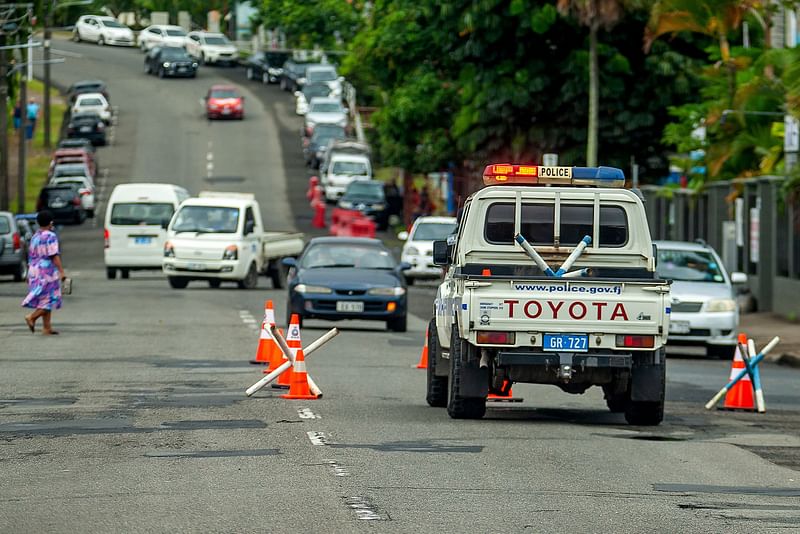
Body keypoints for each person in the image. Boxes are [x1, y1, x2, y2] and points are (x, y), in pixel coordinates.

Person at [22, 211, 66, 336]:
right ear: (51, 222)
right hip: (46, 272)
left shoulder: (35, 236)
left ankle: (47, 327)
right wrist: (61, 272)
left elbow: (31, 256)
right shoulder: (50, 236)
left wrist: (27, 274)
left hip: (34, 271)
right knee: (50, 299)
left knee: (44, 299)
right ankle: (32, 317)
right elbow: (54, 255)